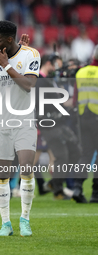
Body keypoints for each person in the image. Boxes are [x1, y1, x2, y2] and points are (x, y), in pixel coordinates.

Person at [0, 20, 40, 237]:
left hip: (24, 122)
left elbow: (28, 85)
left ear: (9, 39)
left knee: (26, 168)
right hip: (2, 124)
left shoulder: (31, 54)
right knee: (2, 175)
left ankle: (25, 219)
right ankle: (6, 223)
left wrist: (6, 64)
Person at [35, 54, 81, 200]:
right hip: (49, 124)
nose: (58, 69)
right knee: (61, 156)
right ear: (49, 63)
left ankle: (54, 184)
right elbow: (46, 101)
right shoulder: (39, 81)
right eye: (57, 65)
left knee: (75, 152)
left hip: (59, 123)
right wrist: (64, 101)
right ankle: (57, 189)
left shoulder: (50, 81)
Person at [72, 45, 98, 203]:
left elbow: (75, 98)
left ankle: (77, 187)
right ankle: (96, 192)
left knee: (86, 154)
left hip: (83, 117)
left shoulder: (81, 72)